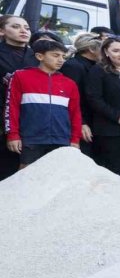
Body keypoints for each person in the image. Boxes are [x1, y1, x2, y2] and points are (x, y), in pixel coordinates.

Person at [5, 38, 81, 167]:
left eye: (63, 56)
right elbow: (11, 107)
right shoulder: (20, 76)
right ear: (40, 56)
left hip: (61, 138)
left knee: (58, 175)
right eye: (55, 55)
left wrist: (75, 139)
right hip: (31, 137)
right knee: (26, 173)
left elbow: (75, 113)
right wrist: (13, 135)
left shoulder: (70, 83)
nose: (61, 60)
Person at [84, 38, 120, 184]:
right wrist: (118, 118)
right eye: (116, 51)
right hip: (109, 130)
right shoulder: (98, 71)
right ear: (106, 52)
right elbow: (94, 99)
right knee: (113, 172)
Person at [0, 15, 37, 180]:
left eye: (27, 28)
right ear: (2, 31)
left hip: (31, 119)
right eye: (16, 27)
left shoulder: (38, 55)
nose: (23, 31)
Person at [60, 32, 101, 158]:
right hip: (78, 123)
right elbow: (70, 98)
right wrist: (81, 123)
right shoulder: (73, 66)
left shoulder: (94, 66)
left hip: (92, 122)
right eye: (103, 48)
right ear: (91, 49)